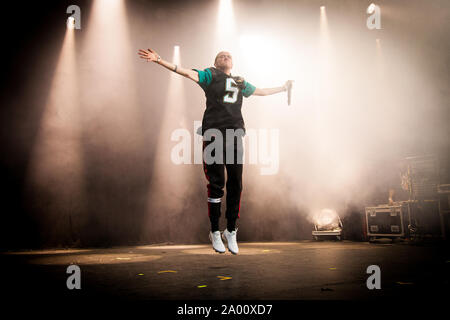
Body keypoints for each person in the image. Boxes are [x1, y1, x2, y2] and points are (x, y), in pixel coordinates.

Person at [138, 48, 292, 254]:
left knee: (236, 184)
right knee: (216, 183)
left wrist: (283, 88)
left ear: (233, 62)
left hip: (235, 135)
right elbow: (186, 72)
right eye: (221, 55)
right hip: (214, 135)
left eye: (228, 55)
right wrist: (160, 60)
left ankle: (231, 230)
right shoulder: (210, 75)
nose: (225, 56)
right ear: (216, 62)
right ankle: (214, 230)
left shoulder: (240, 82)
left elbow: (261, 92)